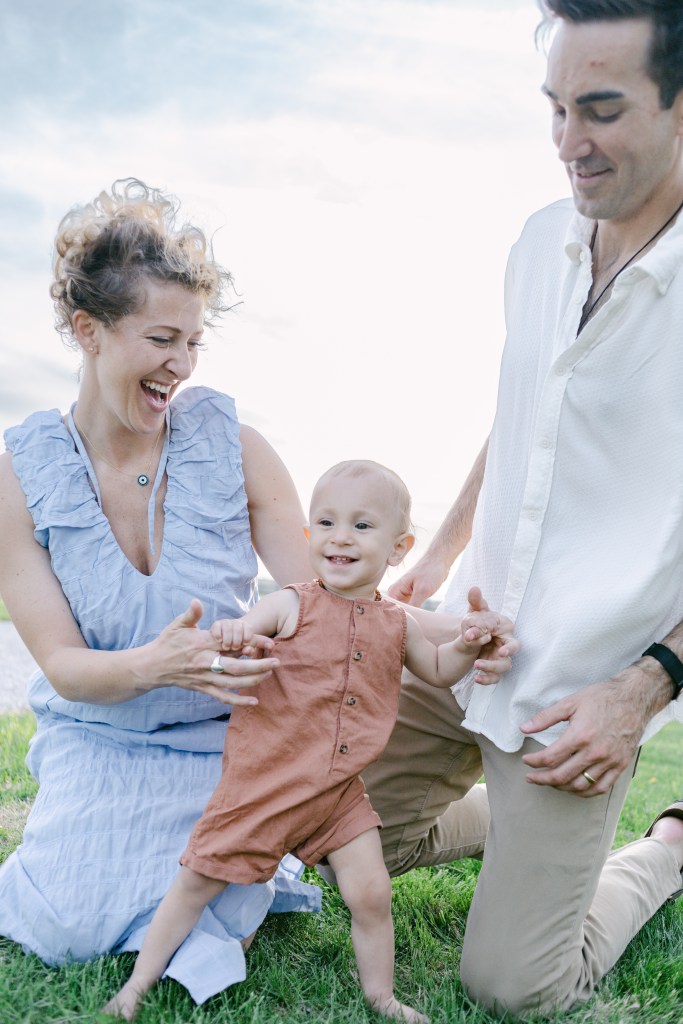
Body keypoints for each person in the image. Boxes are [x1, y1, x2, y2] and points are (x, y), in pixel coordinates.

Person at [363, 1, 683, 1015]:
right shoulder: (538, 238)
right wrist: (435, 561)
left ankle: (669, 845)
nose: (564, 144)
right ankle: (510, 827)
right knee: (327, 825)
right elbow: (521, 414)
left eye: (596, 110)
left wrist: (641, 688)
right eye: (551, 108)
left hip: (577, 696)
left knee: (514, 987)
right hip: (468, 637)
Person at [0, 179, 322, 1002]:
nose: (179, 365)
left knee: (209, 898)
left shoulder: (235, 444)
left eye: (194, 342)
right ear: (89, 331)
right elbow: (66, 668)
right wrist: (156, 665)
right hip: (97, 742)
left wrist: (282, 609)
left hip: (223, 744)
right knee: (70, 927)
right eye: (161, 338)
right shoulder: (19, 475)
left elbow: (309, 586)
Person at [103, 459, 518, 1021]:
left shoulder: (399, 623)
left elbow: (441, 669)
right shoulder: (290, 603)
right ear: (309, 536)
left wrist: (468, 644)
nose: (340, 536)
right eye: (325, 522)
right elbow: (238, 638)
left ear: (399, 548)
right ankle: (136, 987)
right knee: (197, 882)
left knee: (371, 893)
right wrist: (231, 635)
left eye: (362, 526)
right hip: (263, 785)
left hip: (337, 795)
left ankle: (382, 996)